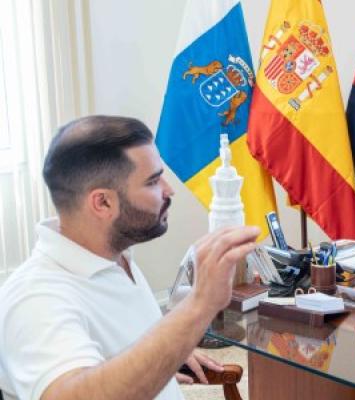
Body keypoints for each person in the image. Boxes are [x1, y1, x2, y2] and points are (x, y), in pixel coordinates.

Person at [0, 116, 260, 400]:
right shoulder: (34, 299)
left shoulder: (114, 254)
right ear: (103, 202)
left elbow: (114, 354)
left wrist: (168, 353)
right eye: (152, 181)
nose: (168, 190)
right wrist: (199, 305)